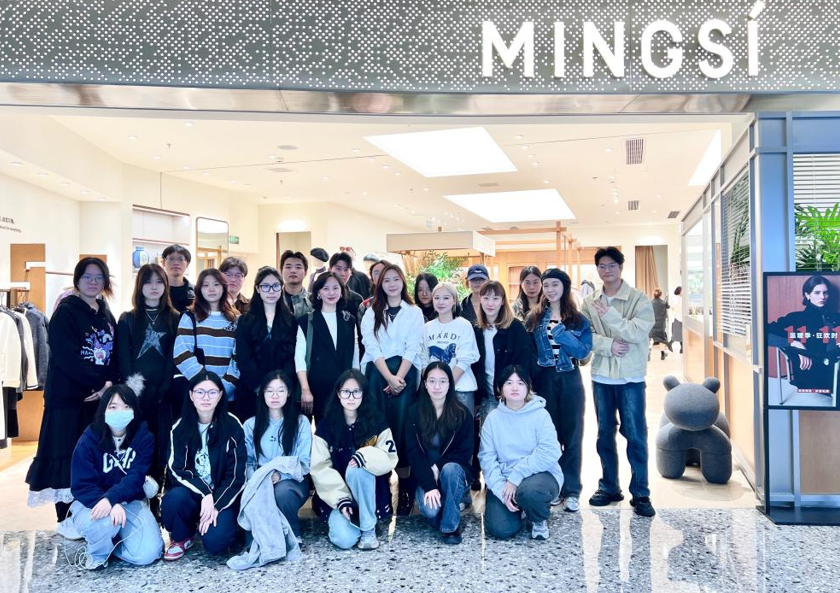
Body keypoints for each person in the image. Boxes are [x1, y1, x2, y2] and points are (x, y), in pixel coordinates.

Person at [27, 257, 118, 529]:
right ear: (77, 280)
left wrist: (107, 385)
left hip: (97, 400)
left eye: (99, 277)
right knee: (67, 453)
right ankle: (64, 518)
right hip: (69, 398)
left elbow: (113, 352)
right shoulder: (66, 311)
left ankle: (87, 513)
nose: (93, 282)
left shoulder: (104, 311)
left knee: (91, 455)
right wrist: (94, 385)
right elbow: (66, 356)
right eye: (87, 276)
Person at [582, 246, 656, 517]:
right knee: (604, 434)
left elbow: (637, 333)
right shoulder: (589, 301)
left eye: (611, 265)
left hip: (630, 377)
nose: (607, 270)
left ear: (621, 267)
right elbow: (585, 335)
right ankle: (609, 486)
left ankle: (641, 492)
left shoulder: (639, 299)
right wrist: (609, 345)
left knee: (635, 435)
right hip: (602, 376)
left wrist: (609, 315)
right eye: (602, 266)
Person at [67, 382, 163, 569]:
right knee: (104, 524)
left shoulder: (143, 437)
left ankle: (114, 545)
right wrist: (108, 502)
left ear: (134, 410)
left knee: (148, 554)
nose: (120, 412)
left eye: (127, 407)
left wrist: (113, 499)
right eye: (113, 407)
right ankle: (98, 552)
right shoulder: (88, 440)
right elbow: (82, 485)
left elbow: (136, 477)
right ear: (103, 410)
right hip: (94, 502)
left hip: (129, 501)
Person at [360, 263, 425, 515]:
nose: (391, 284)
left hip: (405, 375)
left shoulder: (414, 312)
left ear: (403, 282)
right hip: (377, 375)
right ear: (380, 285)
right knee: (379, 428)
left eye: (396, 279)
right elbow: (371, 346)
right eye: (386, 280)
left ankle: (406, 490)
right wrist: (389, 377)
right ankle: (383, 488)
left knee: (403, 430)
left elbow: (413, 346)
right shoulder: (371, 312)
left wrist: (399, 378)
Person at [116, 263, 180, 516]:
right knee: (137, 445)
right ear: (139, 285)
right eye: (148, 281)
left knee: (163, 447)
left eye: (159, 281)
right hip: (135, 396)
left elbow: (175, 356)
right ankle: (137, 496)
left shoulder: (175, 318)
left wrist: (165, 387)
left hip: (165, 396)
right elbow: (123, 358)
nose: (154, 287)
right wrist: (132, 392)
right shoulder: (128, 319)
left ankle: (157, 498)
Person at [526, 269, 592, 513]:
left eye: (555, 284)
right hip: (544, 380)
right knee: (548, 438)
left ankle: (572, 491)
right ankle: (554, 487)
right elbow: (529, 353)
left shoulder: (578, 319)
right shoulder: (534, 318)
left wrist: (562, 335)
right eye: (547, 285)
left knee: (573, 437)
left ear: (565, 287)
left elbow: (583, 352)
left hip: (570, 378)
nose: (550, 289)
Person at [310, 370, 398, 550]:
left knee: (358, 467)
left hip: (369, 495)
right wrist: (341, 499)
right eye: (346, 392)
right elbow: (319, 468)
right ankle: (357, 521)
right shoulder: (325, 426)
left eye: (356, 392)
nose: (351, 397)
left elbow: (390, 457)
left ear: (364, 394)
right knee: (344, 540)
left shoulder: (376, 421)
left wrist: (364, 456)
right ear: (338, 394)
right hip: (338, 498)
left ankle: (368, 528)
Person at [162, 371, 246, 560]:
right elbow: (178, 470)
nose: (206, 397)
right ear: (191, 395)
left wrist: (215, 504)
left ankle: (221, 526)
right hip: (193, 495)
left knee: (216, 542)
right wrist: (206, 493)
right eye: (200, 392)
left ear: (221, 395)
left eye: (212, 392)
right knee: (173, 500)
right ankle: (182, 537)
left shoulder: (232, 426)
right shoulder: (179, 428)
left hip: (222, 496)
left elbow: (236, 476)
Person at [479, 365, 563, 541]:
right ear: (500, 388)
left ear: (528, 387)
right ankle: (521, 509)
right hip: (505, 480)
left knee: (531, 492)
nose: (515, 387)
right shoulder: (493, 419)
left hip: (540, 476)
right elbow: (487, 459)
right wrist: (502, 490)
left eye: (520, 383)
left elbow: (550, 452)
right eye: (509, 383)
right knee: (500, 529)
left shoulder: (540, 415)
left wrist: (516, 476)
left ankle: (538, 519)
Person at [405, 362, 474, 544]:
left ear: (450, 384)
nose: (437, 386)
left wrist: (438, 467)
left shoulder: (462, 414)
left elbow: (464, 453)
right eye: (432, 381)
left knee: (451, 468)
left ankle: (451, 528)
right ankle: (450, 508)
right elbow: (413, 453)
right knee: (430, 510)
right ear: (425, 384)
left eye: (442, 381)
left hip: (452, 474)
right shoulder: (414, 413)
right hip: (425, 475)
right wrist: (429, 484)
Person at [243, 371, 311, 541]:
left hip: (292, 481)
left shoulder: (301, 422)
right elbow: (247, 462)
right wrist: (259, 478)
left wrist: (281, 475)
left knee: (283, 491)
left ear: (288, 393)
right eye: (269, 390)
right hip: (259, 480)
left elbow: (304, 462)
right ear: (262, 393)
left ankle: (292, 535)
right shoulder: (250, 425)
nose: (275, 396)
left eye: (280, 390)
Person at [235, 266, 298, 421]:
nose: (271, 291)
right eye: (265, 286)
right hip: (251, 391)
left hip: (282, 392)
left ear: (281, 288)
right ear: (258, 289)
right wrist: (261, 388)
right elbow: (244, 358)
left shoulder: (291, 321)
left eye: (276, 286)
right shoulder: (245, 320)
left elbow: (292, 357)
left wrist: (280, 387)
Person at [296, 272, 359, 422]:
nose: (331, 293)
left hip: (344, 388)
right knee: (320, 430)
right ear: (318, 293)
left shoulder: (349, 320)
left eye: (335, 288)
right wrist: (305, 389)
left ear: (342, 291)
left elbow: (355, 355)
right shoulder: (306, 321)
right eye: (325, 288)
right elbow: (299, 358)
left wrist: (356, 385)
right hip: (316, 389)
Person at [471, 281, 536, 422]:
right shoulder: (476, 330)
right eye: (486, 298)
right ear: (480, 300)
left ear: (502, 301)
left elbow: (525, 363)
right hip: (488, 397)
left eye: (495, 298)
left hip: (512, 397)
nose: (490, 303)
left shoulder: (515, 327)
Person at [173, 268, 240, 401]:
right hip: (199, 394)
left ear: (223, 288)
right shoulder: (190, 317)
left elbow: (239, 357)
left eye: (216, 284)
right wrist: (206, 387)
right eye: (206, 285)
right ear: (199, 289)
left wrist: (224, 388)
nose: (211, 289)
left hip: (228, 395)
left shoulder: (236, 319)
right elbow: (182, 354)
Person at [767, 275, 840, 395]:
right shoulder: (795, 318)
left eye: (825, 293)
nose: (822, 297)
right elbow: (763, 333)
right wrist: (793, 343)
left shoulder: (836, 318)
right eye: (817, 292)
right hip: (811, 375)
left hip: (835, 369)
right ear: (807, 295)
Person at [422, 282, 480, 416]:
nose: (441, 302)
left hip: (461, 389)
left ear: (454, 300)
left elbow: (465, 359)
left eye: (446, 298)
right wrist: (432, 384)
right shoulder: (427, 327)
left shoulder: (464, 325)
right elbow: (423, 358)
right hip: (434, 391)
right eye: (437, 298)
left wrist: (447, 384)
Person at [330, 251, 364, 317]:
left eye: (346, 270)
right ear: (330, 269)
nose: (342, 273)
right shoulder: (322, 295)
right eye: (338, 268)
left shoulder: (357, 299)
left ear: (351, 272)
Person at [162, 244, 195, 313]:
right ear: (163, 263)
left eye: (180, 259)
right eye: (171, 259)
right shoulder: (157, 289)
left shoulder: (196, 291)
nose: (176, 263)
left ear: (187, 264)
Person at [280, 250, 313, 317]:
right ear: (281, 271)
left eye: (298, 267)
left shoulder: (313, 301)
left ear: (305, 273)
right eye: (288, 267)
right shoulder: (273, 299)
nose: (293, 271)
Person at [649, 288, 670, 360]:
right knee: (662, 339)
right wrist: (666, 299)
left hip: (652, 323)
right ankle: (662, 354)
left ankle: (649, 352)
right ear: (660, 295)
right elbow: (668, 307)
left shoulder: (650, 302)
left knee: (651, 338)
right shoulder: (663, 303)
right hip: (661, 324)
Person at [669, 286, 683, 354]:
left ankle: (682, 348)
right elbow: (673, 307)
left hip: (680, 318)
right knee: (677, 334)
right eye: (682, 291)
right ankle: (670, 344)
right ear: (679, 291)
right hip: (678, 318)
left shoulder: (681, 298)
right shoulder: (676, 298)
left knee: (681, 334)